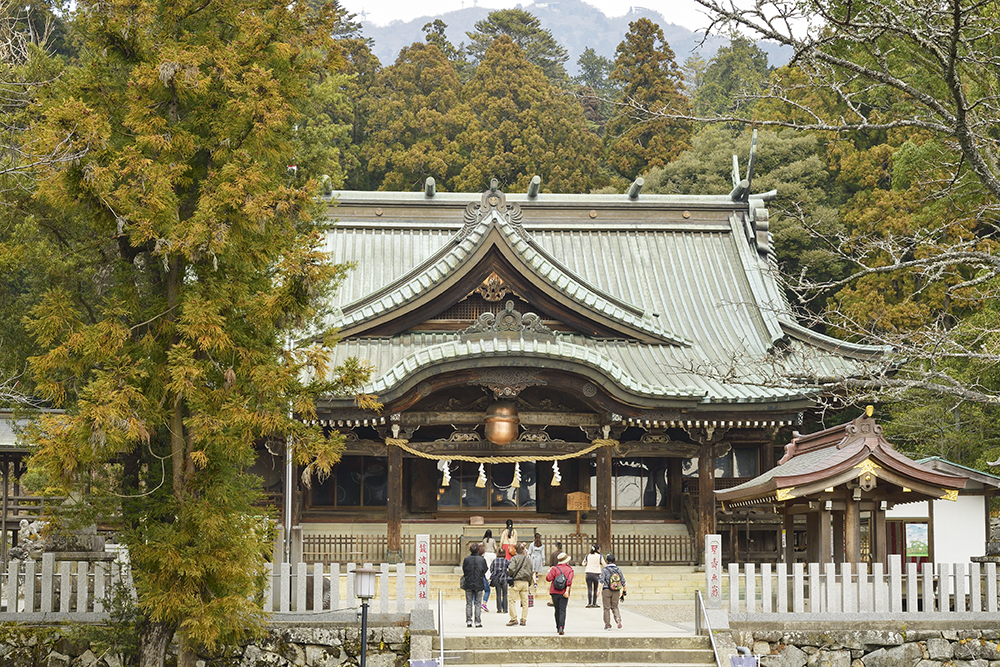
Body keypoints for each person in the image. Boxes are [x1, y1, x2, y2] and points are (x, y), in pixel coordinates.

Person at [545, 552, 574, 635]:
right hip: (564, 592)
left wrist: (551, 571)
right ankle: (561, 627)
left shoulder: (555, 569)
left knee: (556, 609)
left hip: (554, 591)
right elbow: (569, 581)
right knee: (562, 610)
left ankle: (558, 626)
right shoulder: (570, 570)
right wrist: (567, 591)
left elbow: (548, 578)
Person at [506, 542, 533, 626]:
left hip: (516, 581)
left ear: (516, 550)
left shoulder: (514, 558)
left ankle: (513, 618)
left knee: (512, 601)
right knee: (525, 602)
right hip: (525, 582)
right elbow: (530, 572)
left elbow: (511, 569)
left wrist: (510, 575)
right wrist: (529, 583)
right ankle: (523, 619)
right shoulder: (528, 560)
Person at [462, 542, 488, 628]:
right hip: (479, 582)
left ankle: (469, 621)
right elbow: (485, 569)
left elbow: (464, 569)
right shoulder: (482, 560)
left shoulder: (466, 559)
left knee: (469, 603)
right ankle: (477, 622)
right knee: (478, 603)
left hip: (468, 582)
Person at [600, 552, 627, 630]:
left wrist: (598, 590)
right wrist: (624, 592)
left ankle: (607, 625)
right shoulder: (618, 569)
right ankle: (618, 619)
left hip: (606, 590)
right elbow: (623, 581)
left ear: (607, 561)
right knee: (615, 606)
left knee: (606, 608)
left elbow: (601, 580)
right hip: (616, 590)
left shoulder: (605, 570)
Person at [489, 546, 510, 613]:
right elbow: (510, 569)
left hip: (497, 579)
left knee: (498, 594)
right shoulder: (506, 561)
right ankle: (505, 608)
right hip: (504, 579)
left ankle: (499, 608)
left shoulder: (495, 561)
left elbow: (491, 569)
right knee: (505, 594)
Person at [546, 540, 564, 606]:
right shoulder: (564, 554)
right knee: (563, 585)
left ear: (556, 547)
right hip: (562, 571)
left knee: (554, 585)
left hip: (555, 570)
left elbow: (551, 564)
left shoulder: (553, 554)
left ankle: (552, 601)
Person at [479, 542, 494, 612]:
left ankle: (476, 604)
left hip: (473, 578)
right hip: (482, 576)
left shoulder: (468, 558)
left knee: (475, 591)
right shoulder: (482, 560)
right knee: (487, 590)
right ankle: (484, 603)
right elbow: (486, 568)